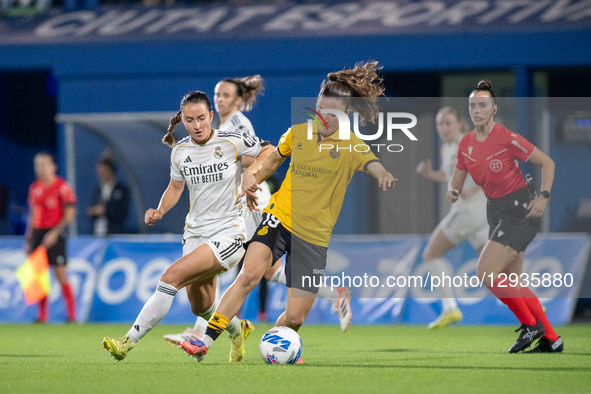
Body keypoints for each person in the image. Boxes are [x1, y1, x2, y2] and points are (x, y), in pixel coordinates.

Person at [179, 61, 397, 363]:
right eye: (320, 108)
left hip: (314, 237)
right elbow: (270, 163)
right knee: (248, 275)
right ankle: (204, 343)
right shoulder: (297, 133)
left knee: (294, 318)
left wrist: (382, 173)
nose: (323, 116)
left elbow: (372, 163)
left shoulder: (351, 145)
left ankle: (277, 346)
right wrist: (253, 177)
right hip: (278, 218)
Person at [163, 75, 352, 346]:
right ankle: (333, 294)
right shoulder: (221, 125)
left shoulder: (237, 124)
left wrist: (249, 176)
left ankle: (203, 330)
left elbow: (261, 155)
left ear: (238, 101)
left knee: (232, 263)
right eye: (218, 94)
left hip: (250, 197)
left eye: (227, 95)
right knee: (258, 269)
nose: (220, 99)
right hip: (244, 196)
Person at [102, 90, 275, 362]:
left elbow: (269, 150)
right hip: (195, 234)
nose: (197, 125)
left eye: (202, 118)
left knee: (170, 277)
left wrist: (252, 174)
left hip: (229, 232)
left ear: (211, 116)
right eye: (191, 120)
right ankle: (237, 329)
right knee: (201, 306)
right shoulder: (180, 152)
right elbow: (175, 187)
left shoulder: (231, 141)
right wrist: (160, 210)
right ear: (182, 119)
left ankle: (126, 342)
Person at [447, 80, 562, 353]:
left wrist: (543, 197)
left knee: (485, 272)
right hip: (495, 210)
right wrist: (453, 191)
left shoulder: (507, 138)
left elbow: (548, 162)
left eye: (482, 105)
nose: (477, 110)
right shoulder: (466, 143)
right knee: (513, 282)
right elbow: (458, 178)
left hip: (520, 210)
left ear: (494, 108)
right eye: (473, 106)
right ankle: (552, 338)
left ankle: (530, 325)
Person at [416, 107, 488, 329]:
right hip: (480, 215)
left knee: (431, 254)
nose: (443, 128)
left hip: (466, 212)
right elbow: (451, 176)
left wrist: (475, 187)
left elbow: (484, 165)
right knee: (492, 268)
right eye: (440, 124)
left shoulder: (466, 142)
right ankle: (531, 305)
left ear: (460, 124)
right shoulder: (448, 148)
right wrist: (429, 174)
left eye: (448, 123)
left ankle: (450, 308)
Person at [24, 151, 77, 323]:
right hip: (39, 233)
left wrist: (54, 233)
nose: (40, 168)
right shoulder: (35, 187)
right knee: (39, 276)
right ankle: (42, 316)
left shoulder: (62, 187)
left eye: (44, 164)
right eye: (37, 165)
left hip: (56, 231)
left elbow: (70, 215)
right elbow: (32, 215)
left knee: (60, 273)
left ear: (53, 166)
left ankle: (71, 315)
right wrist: (28, 240)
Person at [86, 153, 130, 236]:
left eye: (103, 172)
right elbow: (92, 208)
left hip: (114, 234)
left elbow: (123, 212)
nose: (100, 175)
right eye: (99, 173)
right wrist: (93, 211)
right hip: (97, 234)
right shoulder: (98, 189)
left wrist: (105, 210)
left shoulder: (121, 189)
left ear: (110, 171)